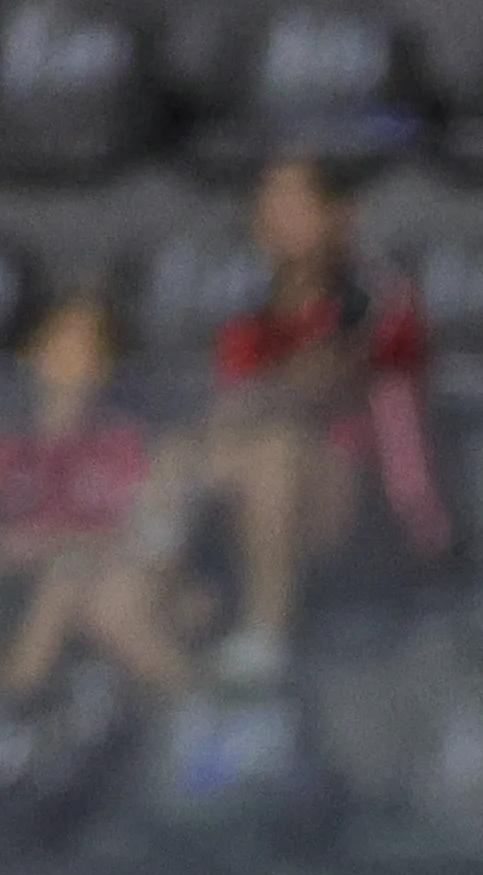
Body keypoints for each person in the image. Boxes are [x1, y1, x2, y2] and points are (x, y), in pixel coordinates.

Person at [193, 156, 444, 683]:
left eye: (296, 201)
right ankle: (163, 588)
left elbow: (324, 380)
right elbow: (227, 405)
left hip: (377, 500)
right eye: (270, 201)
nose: (279, 215)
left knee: (275, 451)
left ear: (339, 214)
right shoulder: (245, 309)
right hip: (246, 495)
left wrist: (258, 402)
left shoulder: (377, 294)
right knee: (185, 458)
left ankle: (267, 630)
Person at [0, 290, 190, 705]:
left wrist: (60, 543)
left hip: (89, 564)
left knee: (64, 577)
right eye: (60, 343)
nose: (71, 358)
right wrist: (2, 541)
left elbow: (148, 528)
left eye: (88, 346)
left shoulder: (126, 443)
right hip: (13, 560)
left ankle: (18, 699)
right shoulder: (7, 442)